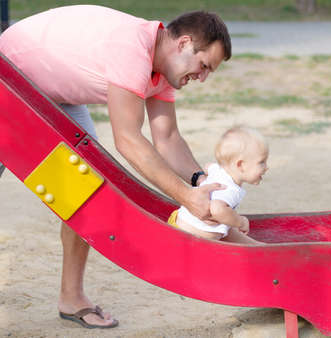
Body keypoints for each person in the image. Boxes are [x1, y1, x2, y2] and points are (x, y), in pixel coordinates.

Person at [0, 5, 232, 328]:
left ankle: (71, 297)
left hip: (53, 90)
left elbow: (167, 139)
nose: (203, 77)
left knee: (86, 187)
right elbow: (128, 140)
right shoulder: (134, 48)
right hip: (10, 73)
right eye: (204, 65)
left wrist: (201, 182)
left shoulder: (162, 70)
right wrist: (186, 197)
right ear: (183, 44)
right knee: (84, 183)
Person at [168, 126, 269, 245]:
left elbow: (208, 166)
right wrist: (240, 221)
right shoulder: (229, 189)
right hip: (188, 239)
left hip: (178, 224)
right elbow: (217, 209)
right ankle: (255, 247)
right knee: (228, 217)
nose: (266, 167)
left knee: (227, 221)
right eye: (261, 162)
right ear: (241, 165)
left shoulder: (218, 170)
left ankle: (253, 245)